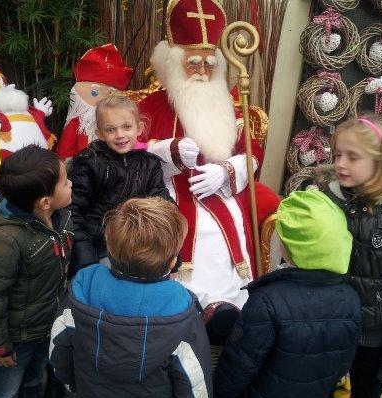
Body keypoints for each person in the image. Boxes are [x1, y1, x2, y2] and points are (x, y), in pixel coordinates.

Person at [139, 0, 279, 344]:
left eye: (208, 63)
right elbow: (130, 154)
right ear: (173, 63)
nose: (202, 71)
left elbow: (253, 150)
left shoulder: (231, 100)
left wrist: (228, 170)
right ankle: (179, 314)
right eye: (193, 63)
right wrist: (167, 151)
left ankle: (226, 313)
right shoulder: (148, 106)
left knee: (221, 245)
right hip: (167, 198)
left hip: (222, 196)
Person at [49, 197, 212, 398]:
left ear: (110, 249)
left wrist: (74, 386)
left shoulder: (82, 292)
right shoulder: (182, 313)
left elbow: (58, 353)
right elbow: (195, 385)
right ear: (172, 261)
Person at [213, 190, 361, 398]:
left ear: (287, 246)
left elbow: (237, 368)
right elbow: (343, 364)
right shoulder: (350, 298)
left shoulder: (266, 301)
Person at [0, 145, 73, 398]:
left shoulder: (62, 216)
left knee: (35, 381)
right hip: (16, 339)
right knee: (5, 392)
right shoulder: (5, 240)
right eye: (64, 181)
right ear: (45, 202)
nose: (71, 182)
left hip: (46, 327)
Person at [317, 115, 382, 398]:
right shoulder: (329, 200)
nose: (340, 164)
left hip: (370, 338)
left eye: (353, 157)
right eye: (337, 155)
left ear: (380, 163)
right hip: (329, 323)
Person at [69, 92, 171, 274]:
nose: (120, 135)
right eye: (110, 129)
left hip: (140, 241)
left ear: (139, 128)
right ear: (99, 133)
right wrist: (83, 251)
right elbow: (73, 210)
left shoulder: (149, 163)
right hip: (102, 243)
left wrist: (170, 245)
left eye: (126, 127)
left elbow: (162, 201)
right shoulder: (89, 162)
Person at [55, 43, 133, 159]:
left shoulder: (124, 121)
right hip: (83, 169)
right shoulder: (78, 124)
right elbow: (64, 153)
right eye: (95, 93)